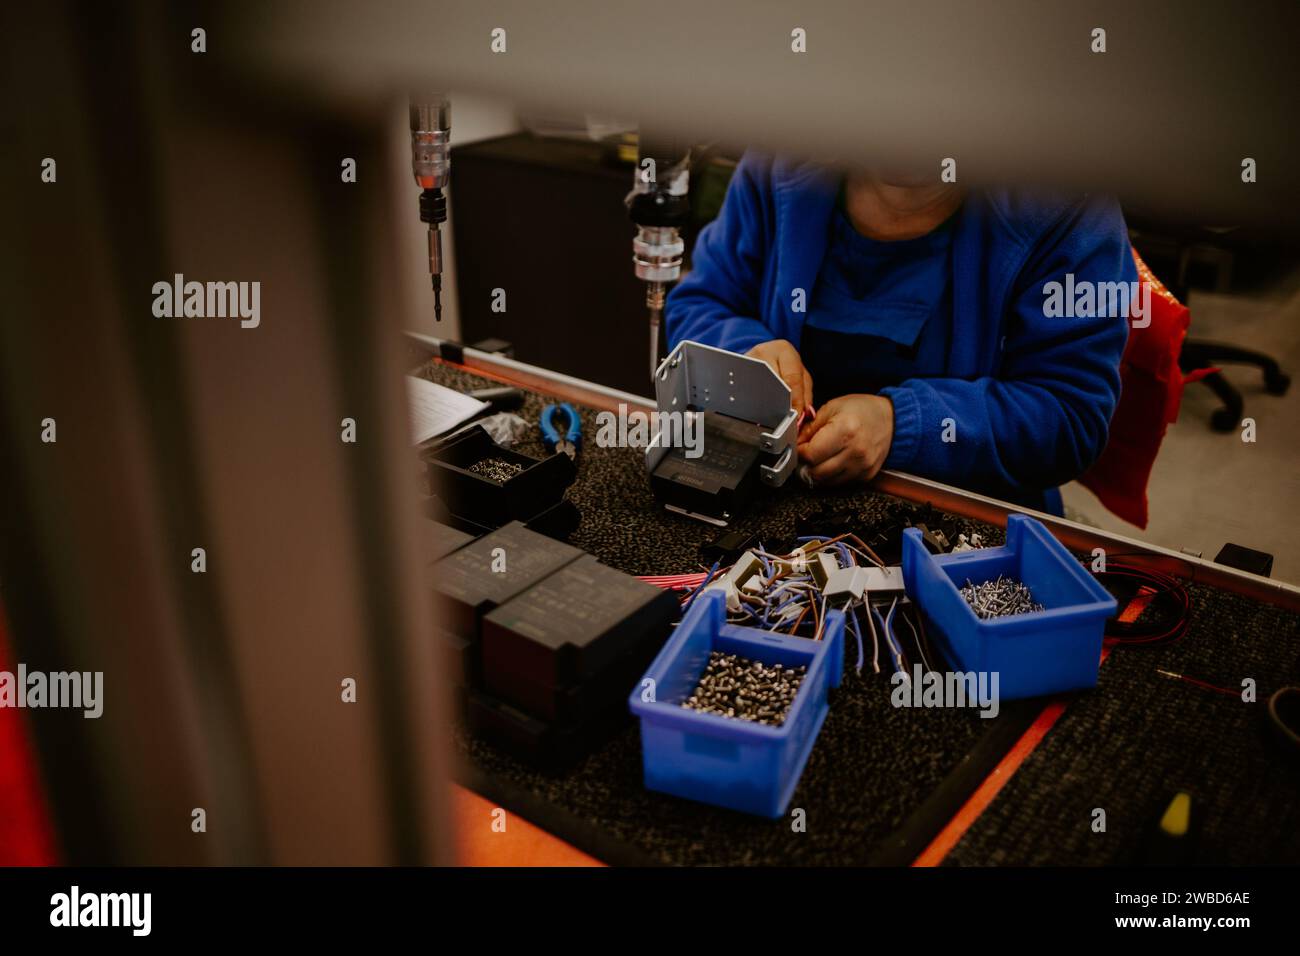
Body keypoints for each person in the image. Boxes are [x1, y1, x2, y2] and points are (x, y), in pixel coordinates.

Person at [664, 154, 1138, 515]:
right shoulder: (779, 158)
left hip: (964, 531)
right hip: (778, 502)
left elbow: (1070, 417)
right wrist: (747, 357)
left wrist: (903, 426)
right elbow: (700, 302)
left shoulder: (1070, 205)